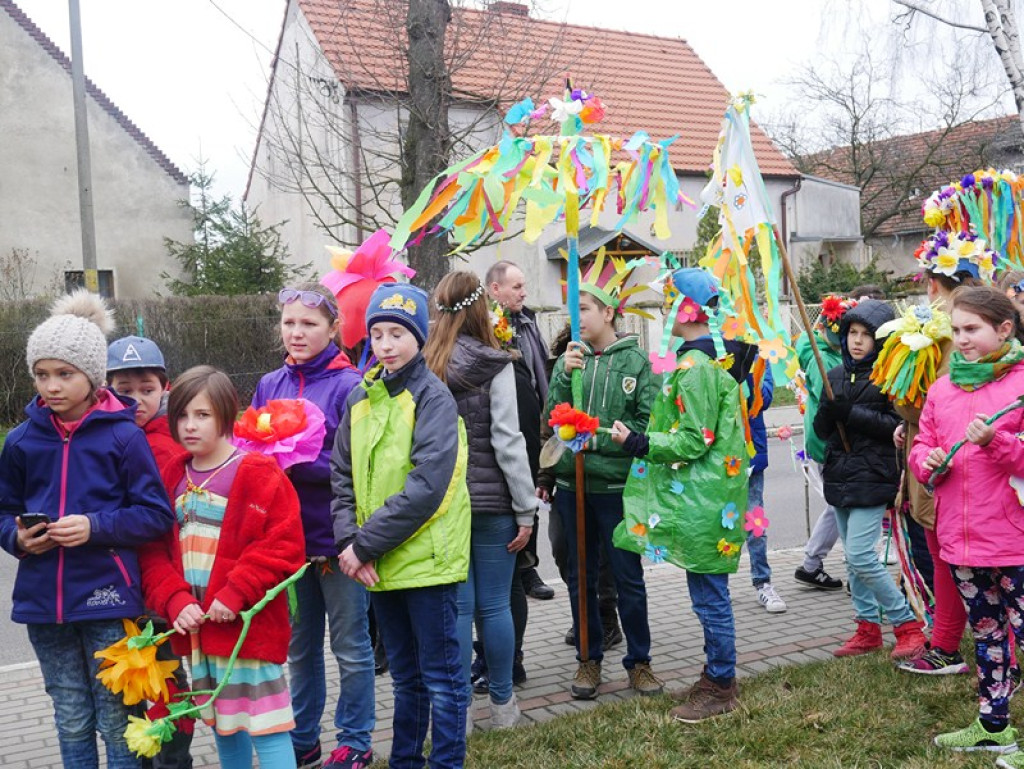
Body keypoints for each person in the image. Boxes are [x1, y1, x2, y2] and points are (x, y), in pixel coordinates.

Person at [0, 291, 174, 768]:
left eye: (64, 374)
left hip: (108, 601)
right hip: (43, 607)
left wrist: (94, 527)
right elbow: (3, 509)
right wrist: (15, 538)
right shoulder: (20, 441)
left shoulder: (124, 436)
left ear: (93, 377)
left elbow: (156, 514)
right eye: (41, 374)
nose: (51, 386)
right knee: (72, 717)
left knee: (117, 719)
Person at [330, 283, 471, 769]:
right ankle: (406, 759)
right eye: (377, 333)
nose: (386, 344)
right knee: (406, 677)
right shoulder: (360, 399)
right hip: (381, 564)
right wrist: (350, 540)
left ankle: (447, 761)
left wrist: (364, 545)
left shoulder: (434, 399)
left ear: (419, 336)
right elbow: (342, 476)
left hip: (427, 564)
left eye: (397, 333)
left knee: (442, 677)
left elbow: (426, 486)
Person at [139, 366, 304, 769]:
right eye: (181, 415)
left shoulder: (256, 472)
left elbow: (283, 546)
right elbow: (152, 552)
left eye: (203, 415)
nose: (189, 426)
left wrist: (235, 592)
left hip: (247, 630)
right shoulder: (172, 476)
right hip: (200, 633)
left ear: (227, 415)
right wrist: (175, 601)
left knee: (267, 727)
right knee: (223, 727)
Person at [612, 268, 750, 722]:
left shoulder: (695, 368)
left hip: (703, 499)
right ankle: (716, 672)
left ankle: (722, 683)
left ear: (688, 309)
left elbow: (694, 439)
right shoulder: (702, 361)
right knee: (706, 592)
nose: (665, 312)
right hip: (706, 497)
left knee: (709, 595)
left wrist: (638, 442)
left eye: (670, 303)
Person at [252, 284, 375, 769]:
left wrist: (299, 457)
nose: (297, 332)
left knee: (350, 647)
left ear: (332, 329)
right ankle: (303, 737)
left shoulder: (351, 385)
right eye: (289, 323)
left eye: (309, 324)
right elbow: (255, 454)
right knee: (299, 650)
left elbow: (359, 466)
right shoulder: (269, 384)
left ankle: (356, 740)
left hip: (338, 542)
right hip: (286, 544)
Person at [911, 287, 1024, 759]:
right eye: (956, 330)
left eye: (972, 329)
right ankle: (993, 724)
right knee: (988, 635)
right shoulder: (942, 389)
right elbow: (921, 446)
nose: (962, 339)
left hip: (1014, 543)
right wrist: (927, 461)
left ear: (1004, 329)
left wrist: (998, 442)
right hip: (963, 543)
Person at [423, 271, 538, 729]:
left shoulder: (425, 365)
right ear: (479, 308)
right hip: (493, 506)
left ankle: (459, 712)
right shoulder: (497, 362)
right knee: (494, 606)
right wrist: (525, 508)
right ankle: (504, 705)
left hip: (443, 505)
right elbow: (509, 441)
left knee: (459, 608)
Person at [541, 266, 662, 701]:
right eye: (572, 313)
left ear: (608, 312)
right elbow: (554, 420)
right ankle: (588, 660)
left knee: (629, 578)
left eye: (586, 309)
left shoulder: (635, 362)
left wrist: (598, 440)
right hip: (574, 491)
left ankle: (640, 662)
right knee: (581, 578)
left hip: (616, 491)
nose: (578, 320)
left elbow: (646, 423)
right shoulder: (570, 361)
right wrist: (561, 375)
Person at [813, 299, 927, 659]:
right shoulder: (833, 377)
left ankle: (907, 624)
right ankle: (867, 629)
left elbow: (897, 428)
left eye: (866, 335)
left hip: (874, 474)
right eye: (852, 334)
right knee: (852, 559)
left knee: (863, 557)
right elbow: (822, 430)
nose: (857, 342)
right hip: (840, 475)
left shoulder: (890, 377)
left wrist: (851, 413)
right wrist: (830, 415)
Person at [107, 335, 195, 769]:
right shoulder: (102, 441)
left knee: (167, 687)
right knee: (128, 692)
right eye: (124, 390)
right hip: (114, 590)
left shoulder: (172, 447)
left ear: (166, 389)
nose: (137, 400)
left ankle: (176, 762)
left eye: (147, 389)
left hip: (159, 593)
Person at [891, 257, 981, 677]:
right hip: (938, 460)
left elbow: (917, 403)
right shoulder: (970, 329)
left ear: (932, 284)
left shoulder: (935, 331)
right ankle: (957, 645)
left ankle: (949, 644)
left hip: (953, 472)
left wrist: (903, 406)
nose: (962, 338)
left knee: (950, 557)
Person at [486, 260, 555, 602]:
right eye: (516, 287)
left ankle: (528, 567)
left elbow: (539, 367)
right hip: (499, 418)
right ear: (495, 290)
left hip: (530, 417)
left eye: (523, 286)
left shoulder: (528, 322)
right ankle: (511, 565)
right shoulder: (485, 324)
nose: (523, 292)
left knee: (530, 486)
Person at [746, 366, 787, 613]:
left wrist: (746, 370)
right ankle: (718, 586)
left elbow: (765, 398)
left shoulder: (758, 357)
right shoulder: (713, 350)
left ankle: (763, 583)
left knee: (755, 524)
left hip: (751, 451)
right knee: (719, 525)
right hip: (719, 454)